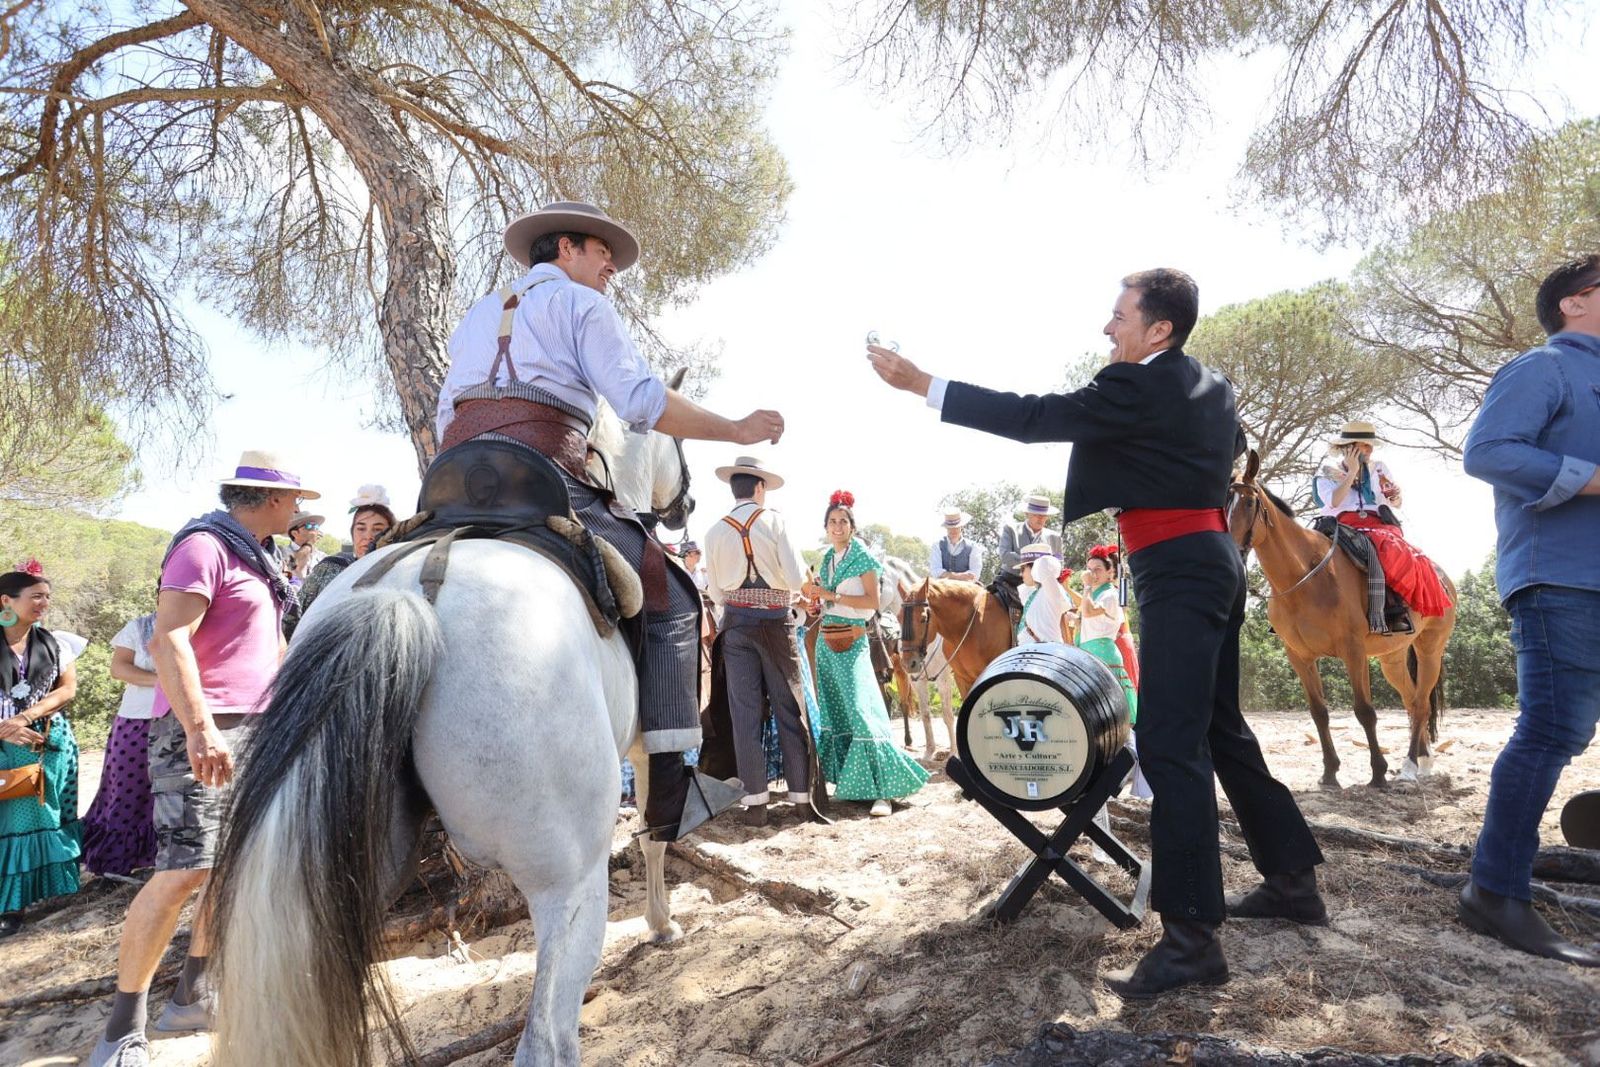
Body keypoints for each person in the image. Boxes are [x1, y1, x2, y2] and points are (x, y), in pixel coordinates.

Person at [868, 268, 1325, 998]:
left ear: (1159, 329)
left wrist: (926, 383)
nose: (1107, 328)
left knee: (1172, 745)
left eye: (1119, 316)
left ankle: (1192, 940)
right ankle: (1293, 881)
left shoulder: (1137, 384)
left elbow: (1033, 417)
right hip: (1215, 563)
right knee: (1221, 726)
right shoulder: (1212, 386)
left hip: (1179, 568)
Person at [435, 200, 783, 841]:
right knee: (675, 597)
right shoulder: (580, 305)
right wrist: (735, 428)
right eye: (602, 253)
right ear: (565, 248)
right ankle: (672, 794)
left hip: (451, 482)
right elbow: (640, 401)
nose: (610, 269)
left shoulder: (476, 314)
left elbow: (444, 415)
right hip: (541, 477)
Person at [90, 451, 310, 1067]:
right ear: (270, 499)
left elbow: (269, 646)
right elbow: (169, 640)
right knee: (183, 870)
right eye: (296, 499)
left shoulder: (258, 557)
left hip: (255, 727)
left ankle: (193, 995)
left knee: (227, 868)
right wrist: (200, 728)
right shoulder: (203, 547)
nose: (299, 510)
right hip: (207, 727)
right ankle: (120, 1033)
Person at [1457, 255, 1600, 968]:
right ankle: (1495, 889)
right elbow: (1486, 452)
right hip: (1561, 578)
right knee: (1553, 731)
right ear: (1574, 302)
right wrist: (1591, 478)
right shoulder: (1543, 367)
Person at [702, 457, 818, 826]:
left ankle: (756, 805)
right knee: (789, 709)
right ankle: (801, 800)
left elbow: (716, 593)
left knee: (745, 715)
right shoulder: (775, 521)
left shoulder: (713, 532)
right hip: (776, 625)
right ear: (759, 487)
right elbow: (797, 578)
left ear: (733, 488)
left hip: (736, 626)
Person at [802, 491, 929, 817]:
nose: (837, 526)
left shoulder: (863, 557)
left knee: (863, 710)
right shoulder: (828, 559)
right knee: (836, 713)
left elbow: (872, 603)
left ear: (852, 527)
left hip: (854, 641)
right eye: (832, 521)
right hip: (827, 643)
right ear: (826, 527)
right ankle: (855, 786)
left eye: (843, 521)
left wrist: (830, 594)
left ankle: (883, 791)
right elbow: (829, 600)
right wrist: (818, 602)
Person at [0, 561, 81, 937]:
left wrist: (25, 717)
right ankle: (9, 903)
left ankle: (24, 900)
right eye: (35, 596)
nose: (44, 603)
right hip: (5, 740)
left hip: (45, 738)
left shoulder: (55, 642)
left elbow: (67, 689)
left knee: (40, 814)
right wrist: (5, 730)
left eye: (47, 596)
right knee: (11, 819)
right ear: (6, 601)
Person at [1313, 420, 1452, 632]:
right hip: (1339, 524)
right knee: (1301, 551)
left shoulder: (1379, 469)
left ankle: (1393, 609)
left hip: (1378, 524)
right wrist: (1351, 472)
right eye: (1364, 445)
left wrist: (1395, 496)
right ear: (1348, 448)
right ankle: (1293, 613)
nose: (1370, 450)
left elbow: (1395, 503)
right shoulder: (1327, 472)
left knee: (1391, 549)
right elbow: (1333, 501)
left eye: (1370, 446)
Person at [80, 613, 159, 881]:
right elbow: (119, 668)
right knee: (128, 791)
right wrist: (167, 680)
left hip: (186, 720)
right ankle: (116, 865)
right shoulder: (141, 627)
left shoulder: (208, 624)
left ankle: (162, 862)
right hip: (138, 719)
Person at [285, 484, 395, 639]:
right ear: (352, 533)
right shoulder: (329, 568)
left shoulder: (400, 575)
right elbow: (292, 619)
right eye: (361, 528)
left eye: (377, 529)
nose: (368, 536)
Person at [1071, 545, 1138, 723]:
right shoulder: (1096, 594)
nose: (1093, 574)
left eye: (1098, 569)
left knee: (1110, 713)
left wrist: (1086, 586)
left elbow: (1089, 612)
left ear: (1110, 572)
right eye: (1089, 569)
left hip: (1103, 655)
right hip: (1090, 654)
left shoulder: (1110, 595)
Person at [1016, 543, 1071, 644]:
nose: (1020, 573)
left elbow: (1044, 564)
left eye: (1023, 569)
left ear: (1035, 568)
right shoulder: (1036, 593)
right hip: (1031, 650)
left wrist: (1041, 562)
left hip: (1044, 651)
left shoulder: (1051, 590)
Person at [998, 494, 1064, 577]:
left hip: (1041, 582)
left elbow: (1058, 563)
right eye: (1036, 514)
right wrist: (1033, 565)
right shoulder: (1011, 529)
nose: (1040, 518)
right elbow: (1005, 555)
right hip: (1010, 580)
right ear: (1027, 514)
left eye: (1044, 515)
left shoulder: (1055, 538)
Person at [929, 509, 985, 581]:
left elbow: (975, 573)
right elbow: (936, 571)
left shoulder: (974, 547)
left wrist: (946, 575)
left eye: (956, 527)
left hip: (966, 586)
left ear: (961, 526)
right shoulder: (937, 546)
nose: (953, 530)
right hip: (943, 586)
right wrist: (960, 576)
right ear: (946, 528)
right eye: (950, 528)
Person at [279, 510, 326, 584]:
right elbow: (291, 569)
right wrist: (308, 544)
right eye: (309, 526)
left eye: (316, 526)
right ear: (295, 533)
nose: (315, 530)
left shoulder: (322, 556)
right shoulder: (281, 552)